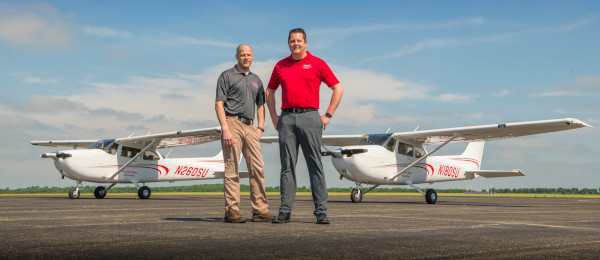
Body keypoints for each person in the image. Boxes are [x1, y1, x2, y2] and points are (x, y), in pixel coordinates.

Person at [266, 28, 344, 224]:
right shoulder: (280, 66)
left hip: (310, 116)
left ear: (306, 43)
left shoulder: (317, 63)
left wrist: (328, 114)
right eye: (292, 41)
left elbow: (338, 88)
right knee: (287, 166)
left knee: (314, 164)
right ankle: (285, 211)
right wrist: (274, 116)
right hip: (287, 118)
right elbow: (270, 91)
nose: (296, 44)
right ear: (288, 43)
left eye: (299, 40)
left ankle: (321, 211)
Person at [215, 44, 273, 223]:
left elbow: (260, 105)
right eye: (242, 55)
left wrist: (260, 127)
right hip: (232, 122)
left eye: (248, 55)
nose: (246, 57)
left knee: (257, 167)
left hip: (250, 127)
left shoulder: (256, 80)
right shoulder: (227, 76)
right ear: (237, 56)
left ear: (253, 57)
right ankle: (232, 210)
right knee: (232, 168)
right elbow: (219, 104)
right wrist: (225, 127)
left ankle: (260, 210)